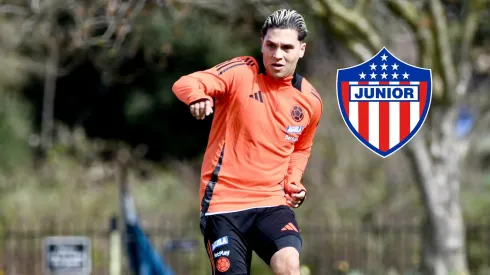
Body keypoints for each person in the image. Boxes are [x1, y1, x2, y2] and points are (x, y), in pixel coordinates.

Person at [172, 8, 323, 275]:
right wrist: (197, 96)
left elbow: (301, 147)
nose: (277, 55)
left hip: (271, 204)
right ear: (261, 43)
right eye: (271, 45)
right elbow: (186, 82)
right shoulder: (241, 72)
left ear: (301, 49)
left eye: (287, 47)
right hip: (223, 205)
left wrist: (293, 179)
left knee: (289, 264)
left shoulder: (310, 100)